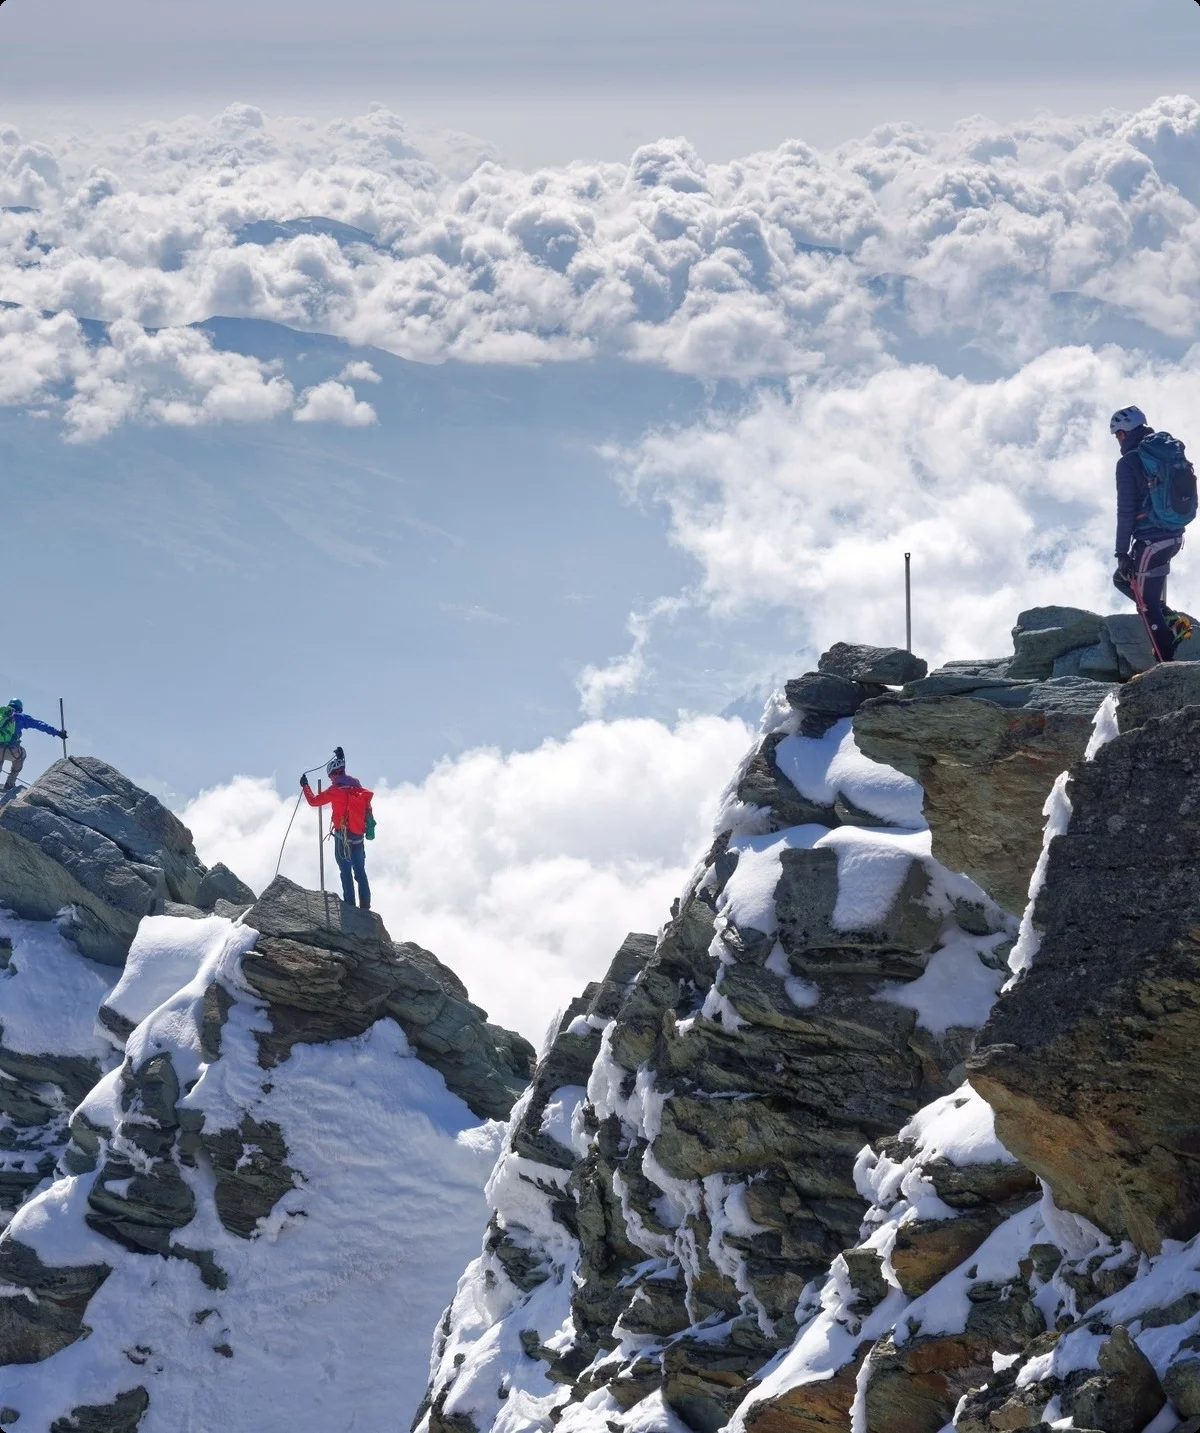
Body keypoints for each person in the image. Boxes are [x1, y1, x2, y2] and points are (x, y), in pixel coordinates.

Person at [1110, 405, 1195, 663]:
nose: (1118, 441)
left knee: (1145, 605)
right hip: (1174, 536)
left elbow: (1126, 511)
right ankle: (1173, 624)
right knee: (1128, 583)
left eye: (1117, 435)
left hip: (1151, 541)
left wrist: (1121, 551)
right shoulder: (1162, 452)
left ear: (1123, 433)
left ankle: (1165, 667)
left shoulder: (1128, 462)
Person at [300, 748, 375, 911]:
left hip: (343, 838)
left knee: (346, 872)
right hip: (358, 836)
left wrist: (305, 785)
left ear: (332, 775)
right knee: (360, 873)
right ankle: (365, 908)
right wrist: (342, 758)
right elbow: (345, 777)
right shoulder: (356, 784)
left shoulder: (334, 791)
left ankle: (350, 907)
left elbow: (313, 801)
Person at [0, 699, 68, 793]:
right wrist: (57, 733)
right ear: (20, 708)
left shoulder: (1, 715)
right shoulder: (21, 717)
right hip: (11, 750)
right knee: (22, 755)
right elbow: (39, 725)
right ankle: (10, 783)